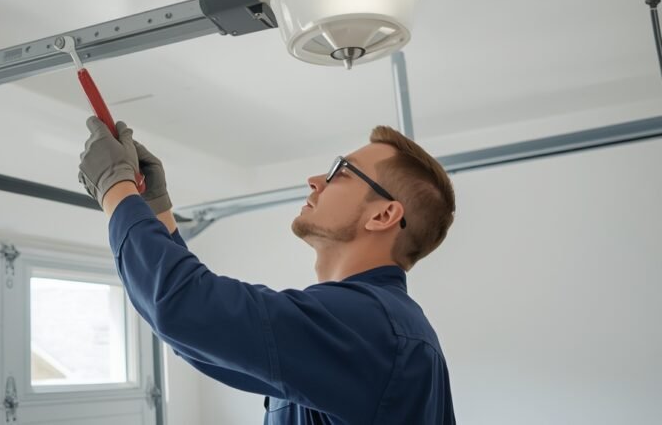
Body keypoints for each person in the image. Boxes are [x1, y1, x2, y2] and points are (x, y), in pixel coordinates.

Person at [78, 117, 457, 424]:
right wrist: (155, 208)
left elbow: (188, 309)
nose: (316, 180)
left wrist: (116, 189)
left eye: (341, 171)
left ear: (384, 214)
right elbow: (205, 338)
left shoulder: (369, 327)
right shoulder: (370, 326)